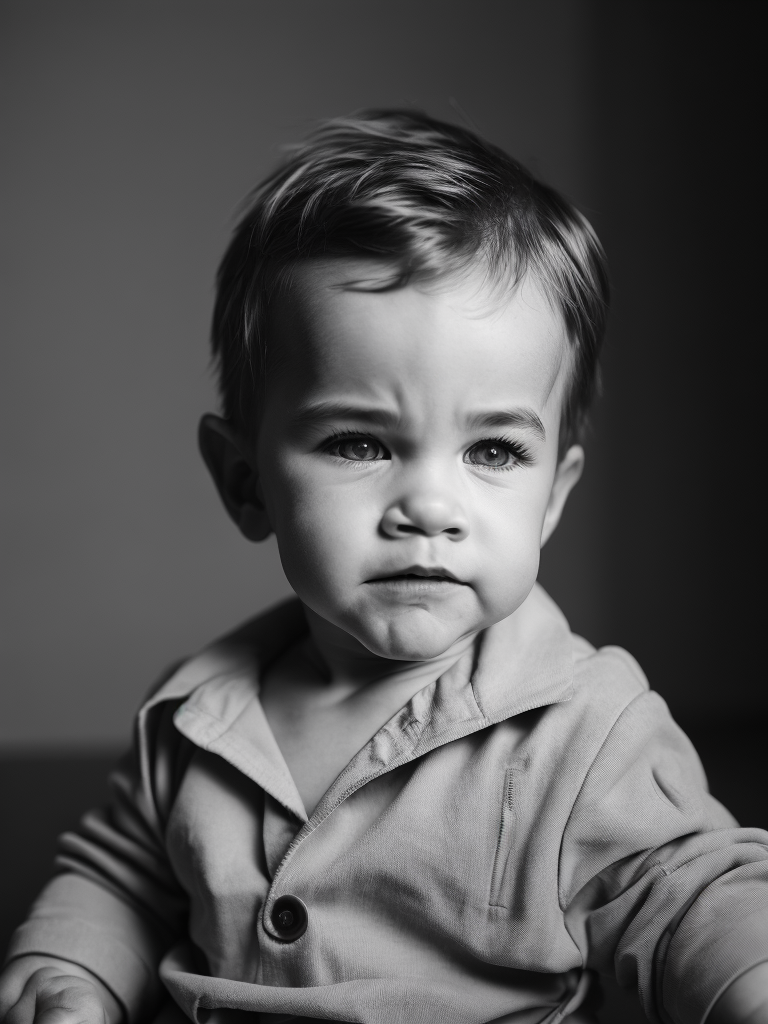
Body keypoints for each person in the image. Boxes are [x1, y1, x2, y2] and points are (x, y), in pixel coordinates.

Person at [1, 111, 766, 1024]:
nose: (431, 509)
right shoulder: (197, 716)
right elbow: (123, 878)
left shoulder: (587, 731)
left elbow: (687, 892)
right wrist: (69, 970)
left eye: (492, 452)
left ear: (553, 496)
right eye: (360, 441)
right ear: (245, 482)